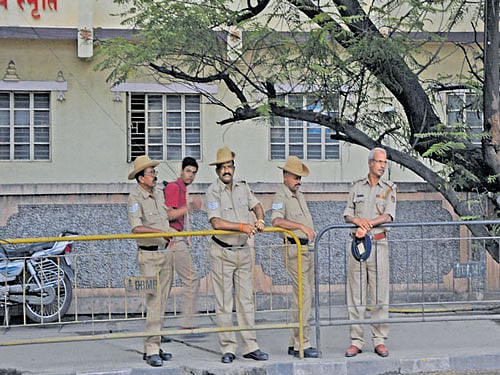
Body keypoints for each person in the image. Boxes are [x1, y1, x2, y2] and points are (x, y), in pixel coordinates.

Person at [205, 146, 269, 364]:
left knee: (246, 300)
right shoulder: (212, 191)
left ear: (234, 168)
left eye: (229, 166)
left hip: (242, 251)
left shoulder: (243, 187)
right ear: (217, 171)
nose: (226, 170)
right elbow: (216, 222)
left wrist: (260, 219)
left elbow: (257, 205)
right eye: (222, 167)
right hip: (222, 250)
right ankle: (228, 348)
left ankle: (251, 345)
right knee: (224, 301)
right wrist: (243, 226)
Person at [343, 147, 397, 358]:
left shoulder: (390, 187)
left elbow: (389, 216)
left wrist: (367, 224)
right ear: (370, 163)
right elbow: (347, 213)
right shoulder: (356, 187)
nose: (382, 166)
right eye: (379, 162)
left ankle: (379, 339)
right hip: (358, 246)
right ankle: (356, 340)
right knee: (355, 295)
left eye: (385, 162)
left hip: (378, 244)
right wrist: (358, 222)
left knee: (379, 295)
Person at [127, 155, 174, 367]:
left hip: (164, 253)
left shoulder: (158, 194)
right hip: (149, 255)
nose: (154, 176)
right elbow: (137, 228)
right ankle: (151, 349)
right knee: (154, 300)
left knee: (162, 301)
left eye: (154, 172)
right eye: (151, 173)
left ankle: (156, 342)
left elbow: (165, 219)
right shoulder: (134, 199)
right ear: (140, 178)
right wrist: (160, 232)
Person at [271, 155, 319, 358]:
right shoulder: (280, 196)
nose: (298, 181)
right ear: (285, 176)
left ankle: (294, 341)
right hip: (294, 249)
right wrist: (299, 226)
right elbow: (276, 221)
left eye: (300, 178)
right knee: (304, 296)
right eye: (295, 177)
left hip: (306, 249)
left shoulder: (298, 195)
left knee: (301, 298)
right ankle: (303, 343)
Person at [164, 157, 204, 334]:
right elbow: (170, 215)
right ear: (181, 171)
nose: (191, 175)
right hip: (172, 238)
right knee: (191, 279)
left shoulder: (183, 189)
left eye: (194, 172)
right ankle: (187, 323)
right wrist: (190, 207)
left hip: (176, 238)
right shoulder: (174, 187)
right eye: (188, 171)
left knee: (165, 284)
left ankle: (156, 328)